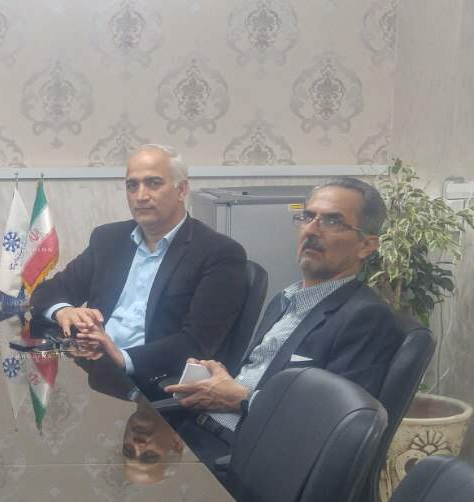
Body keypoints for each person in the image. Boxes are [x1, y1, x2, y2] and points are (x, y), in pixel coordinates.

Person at [164, 177, 402, 464]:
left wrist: (240, 397)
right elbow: (259, 375)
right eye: (308, 217)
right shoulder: (284, 299)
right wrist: (218, 379)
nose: (311, 230)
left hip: (243, 457)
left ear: (366, 245)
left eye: (332, 221)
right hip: (197, 427)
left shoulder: (366, 318)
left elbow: (336, 422)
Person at [30, 144, 248, 396]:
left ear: (181, 190)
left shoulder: (219, 253)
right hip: (97, 373)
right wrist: (64, 310)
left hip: (153, 383)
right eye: (132, 186)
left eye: (154, 183)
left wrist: (121, 357)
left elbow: (196, 343)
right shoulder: (109, 239)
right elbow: (47, 292)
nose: (140, 196)